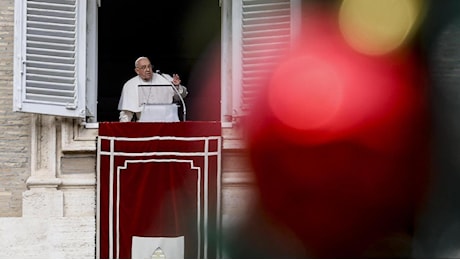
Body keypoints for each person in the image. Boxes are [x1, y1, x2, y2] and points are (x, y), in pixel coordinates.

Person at [118, 56, 188, 122]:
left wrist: (177, 87)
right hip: (144, 126)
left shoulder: (164, 78)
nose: (148, 69)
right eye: (143, 67)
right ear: (137, 70)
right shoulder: (130, 85)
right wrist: (124, 126)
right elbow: (126, 113)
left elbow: (181, 96)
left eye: (149, 66)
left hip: (166, 123)